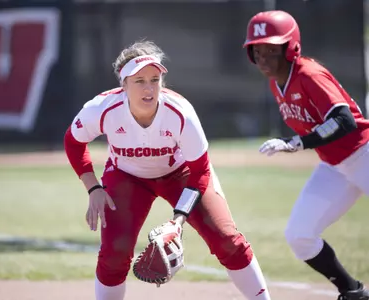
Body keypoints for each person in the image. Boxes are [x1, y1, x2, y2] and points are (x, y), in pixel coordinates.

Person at [64, 40, 271, 300]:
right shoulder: (102, 109)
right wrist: (93, 187)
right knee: (114, 255)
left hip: (182, 175)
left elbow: (200, 171)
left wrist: (178, 220)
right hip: (127, 178)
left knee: (227, 240)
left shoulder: (180, 112)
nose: (149, 88)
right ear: (123, 84)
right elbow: (73, 141)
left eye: (155, 79)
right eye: (139, 81)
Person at [243, 10, 369, 300]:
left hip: (363, 153)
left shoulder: (309, 73)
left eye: (271, 50)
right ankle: (353, 293)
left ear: (291, 48)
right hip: (335, 166)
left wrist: (298, 143)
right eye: (257, 51)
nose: (263, 58)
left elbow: (344, 121)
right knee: (300, 235)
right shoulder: (276, 82)